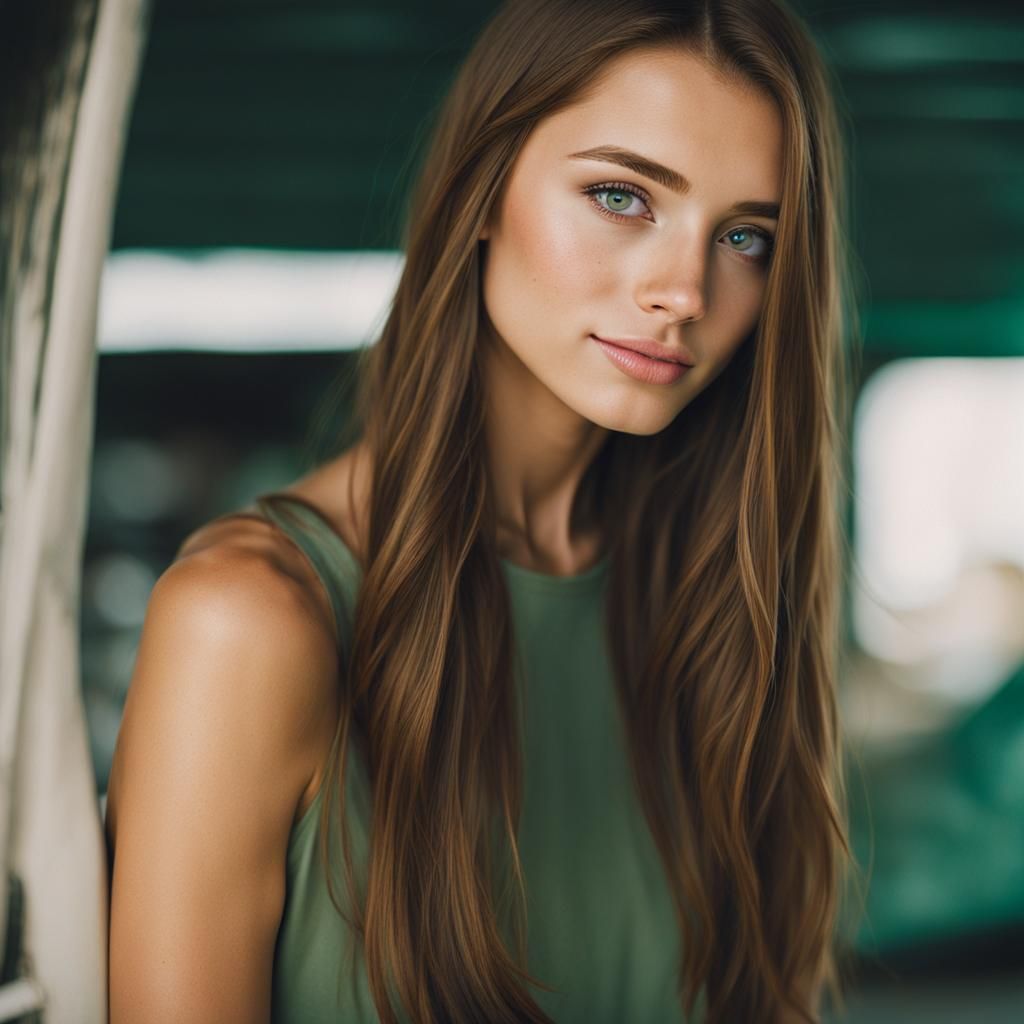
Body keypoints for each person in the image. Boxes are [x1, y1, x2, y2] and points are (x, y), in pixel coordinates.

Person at [104, 0, 859, 1021]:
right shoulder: (250, 618)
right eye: (622, 196)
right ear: (483, 189)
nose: (682, 289)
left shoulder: (719, 608)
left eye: (745, 237)